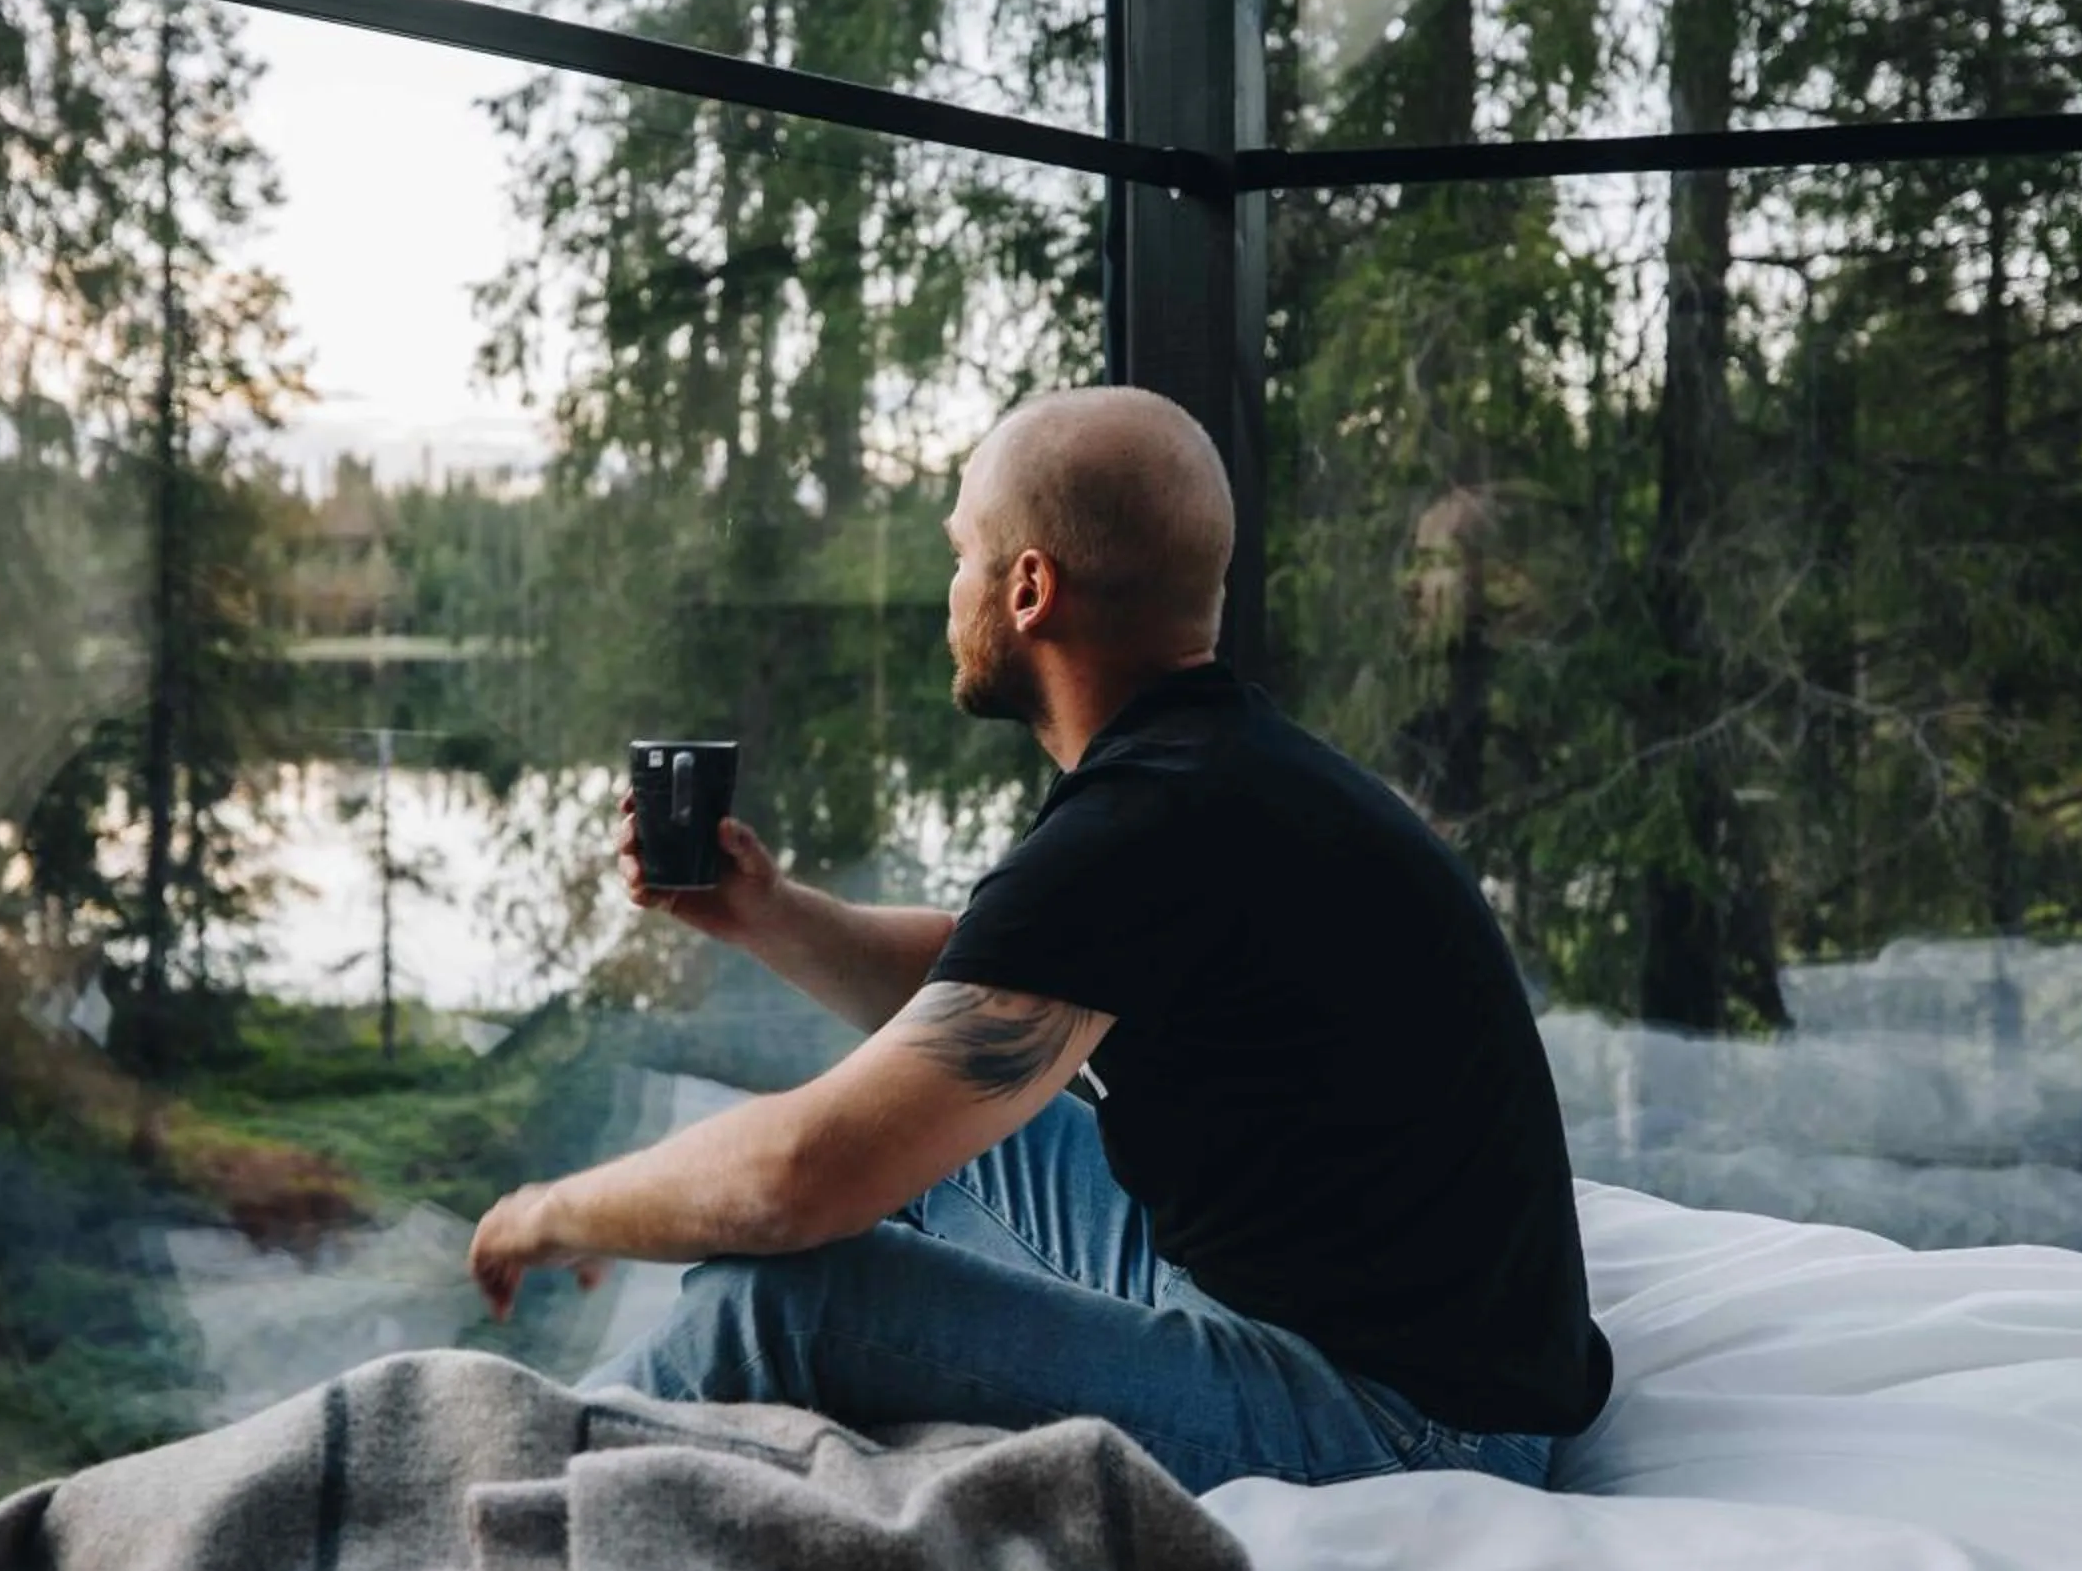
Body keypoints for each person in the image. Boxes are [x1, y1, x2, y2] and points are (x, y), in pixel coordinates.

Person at [466, 386, 1611, 1494]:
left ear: (1026, 587)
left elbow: (799, 1179)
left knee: (782, 1302)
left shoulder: (1142, 821)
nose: (947, 585)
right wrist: (767, 909)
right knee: (923, 1124)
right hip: (1367, 1329)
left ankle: (481, 1487)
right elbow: (977, 995)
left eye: (961, 553)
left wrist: (548, 1208)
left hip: (1409, 1422)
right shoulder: (1212, 769)